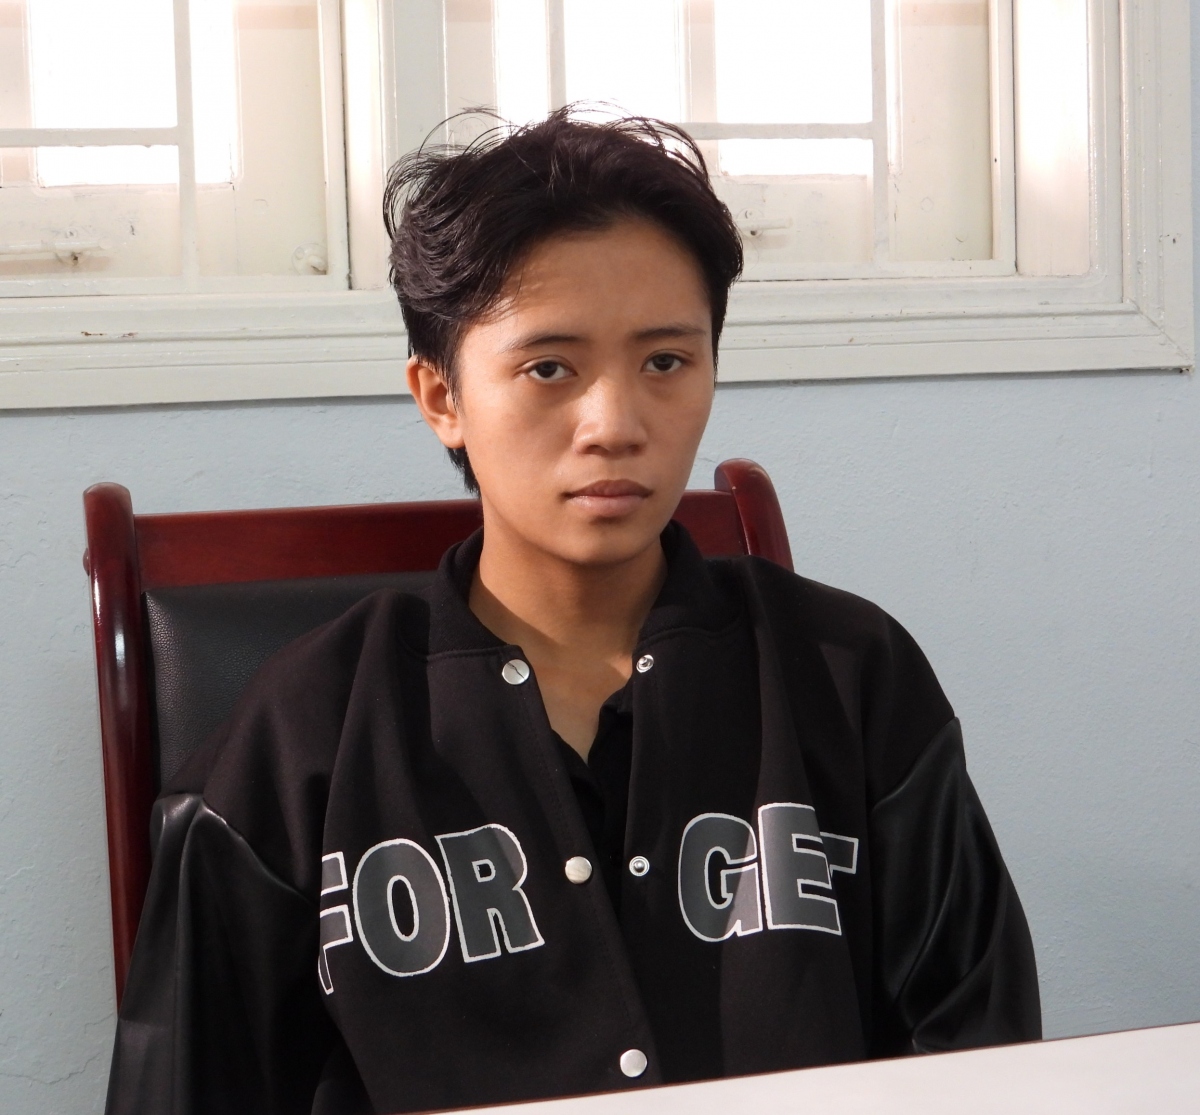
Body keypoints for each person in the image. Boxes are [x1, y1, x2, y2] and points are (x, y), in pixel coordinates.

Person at [105, 109, 1040, 1115]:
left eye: (665, 362)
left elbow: (982, 1054)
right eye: (549, 368)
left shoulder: (850, 675)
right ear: (441, 396)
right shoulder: (304, 732)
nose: (615, 424)